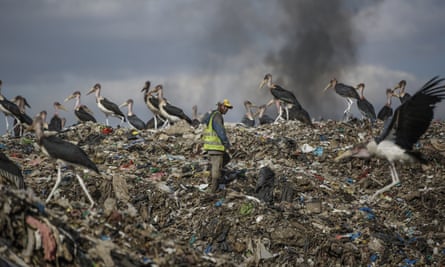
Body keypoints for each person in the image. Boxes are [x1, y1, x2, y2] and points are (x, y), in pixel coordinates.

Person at [202, 99, 233, 192]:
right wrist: (227, 144)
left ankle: (210, 175)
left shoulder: (211, 115)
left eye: (228, 108)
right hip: (216, 147)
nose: (227, 110)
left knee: (226, 158)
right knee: (217, 168)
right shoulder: (217, 116)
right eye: (226, 107)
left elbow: (204, 120)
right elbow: (220, 131)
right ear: (221, 106)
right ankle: (213, 190)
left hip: (210, 146)